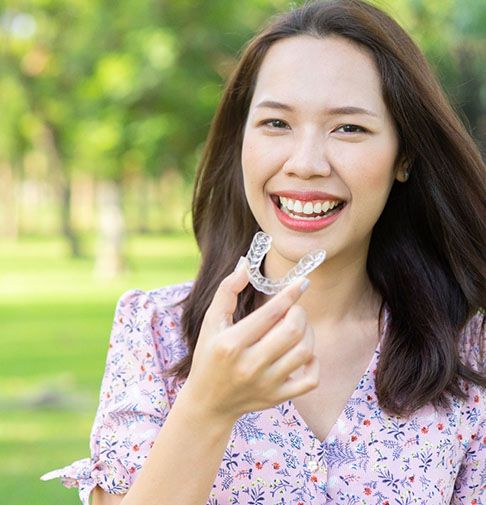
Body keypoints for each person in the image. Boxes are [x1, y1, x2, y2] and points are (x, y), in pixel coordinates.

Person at [41, 0, 486, 503]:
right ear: (241, 142)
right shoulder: (155, 333)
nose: (306, 163)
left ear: (403, 156)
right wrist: (207, 407)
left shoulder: (469, 352)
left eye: (349, 128)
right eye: (277, 123)